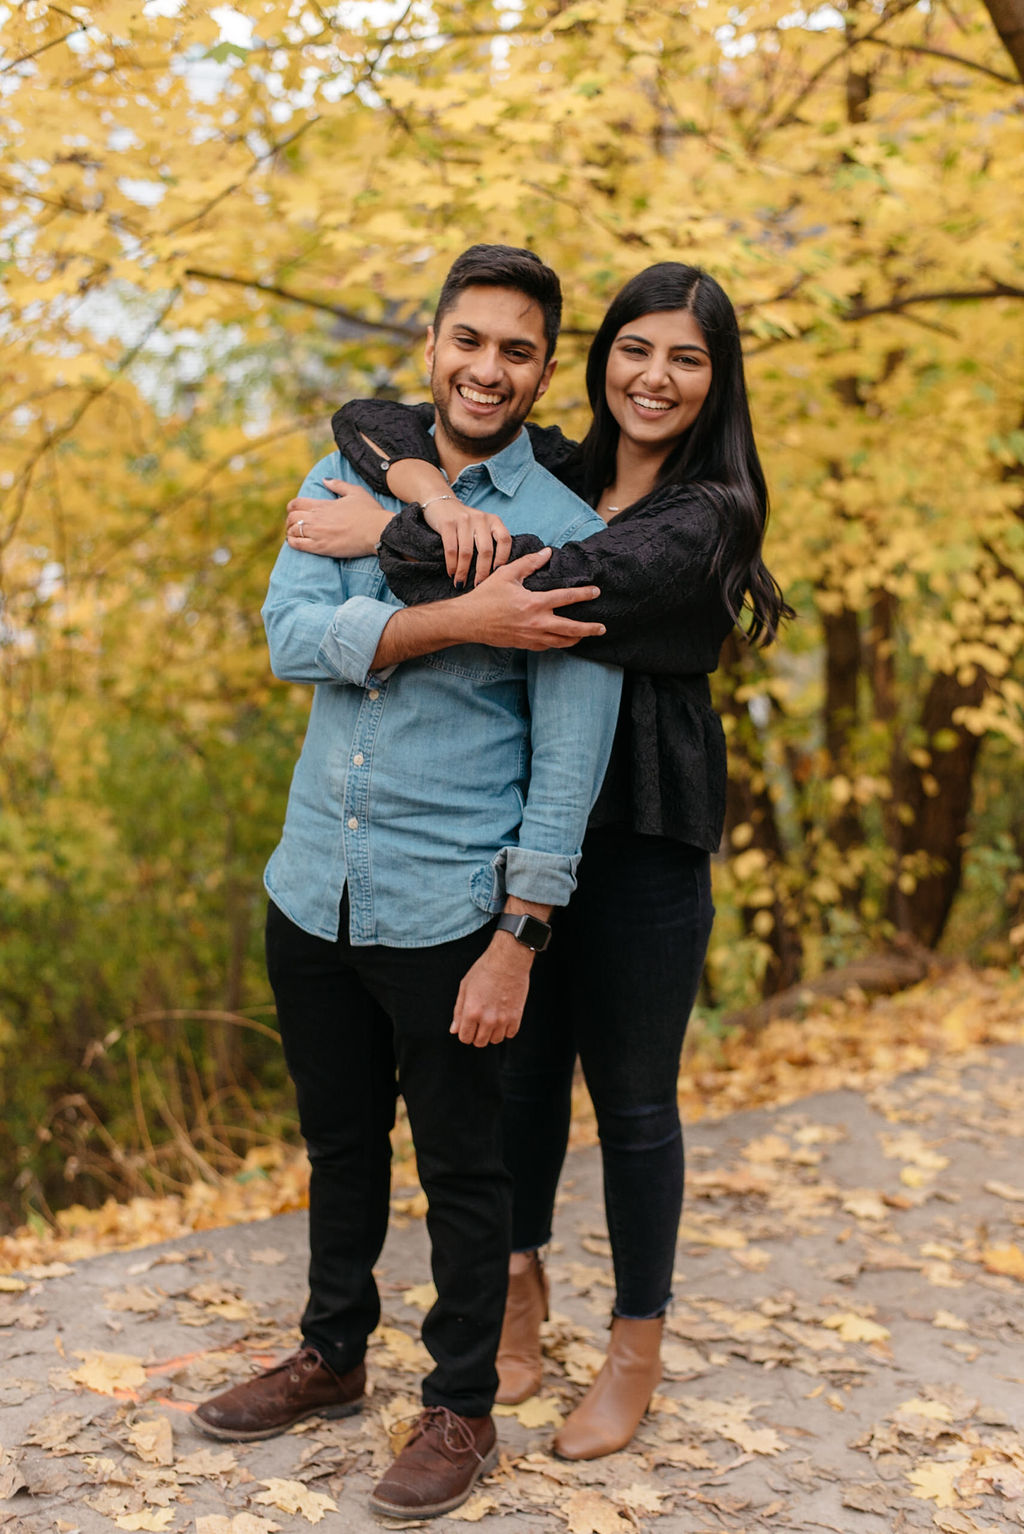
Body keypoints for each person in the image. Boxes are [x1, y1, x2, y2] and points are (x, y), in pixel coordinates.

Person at [290, 262, 792, 1461]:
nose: (653, 377)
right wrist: (416, 481)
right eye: (635, 349)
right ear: (597, 359)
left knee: (630, 1103)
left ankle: (634, 1349)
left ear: (714, 380)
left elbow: (555, 585)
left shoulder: (707, 511)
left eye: (685, 357)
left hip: (634, 840)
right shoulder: (557, 469)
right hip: (502, 834)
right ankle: (515, 1298)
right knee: (513, 1081)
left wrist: (387, 531)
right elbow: (372, 420)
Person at [192, 245, 623, 1520]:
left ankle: (460, 1404)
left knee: (464, 1167)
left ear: (546, 371)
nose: (487, 367)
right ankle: (332, 1356)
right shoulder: (343, 476)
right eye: (468, 340)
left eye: (517, 349)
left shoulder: (570, 533)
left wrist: (519, 935)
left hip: (450, 907)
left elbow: (570, 765)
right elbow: (288, 638)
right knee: (335, 1147)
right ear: (432, 346)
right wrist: (461, 613)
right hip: (312, 879)